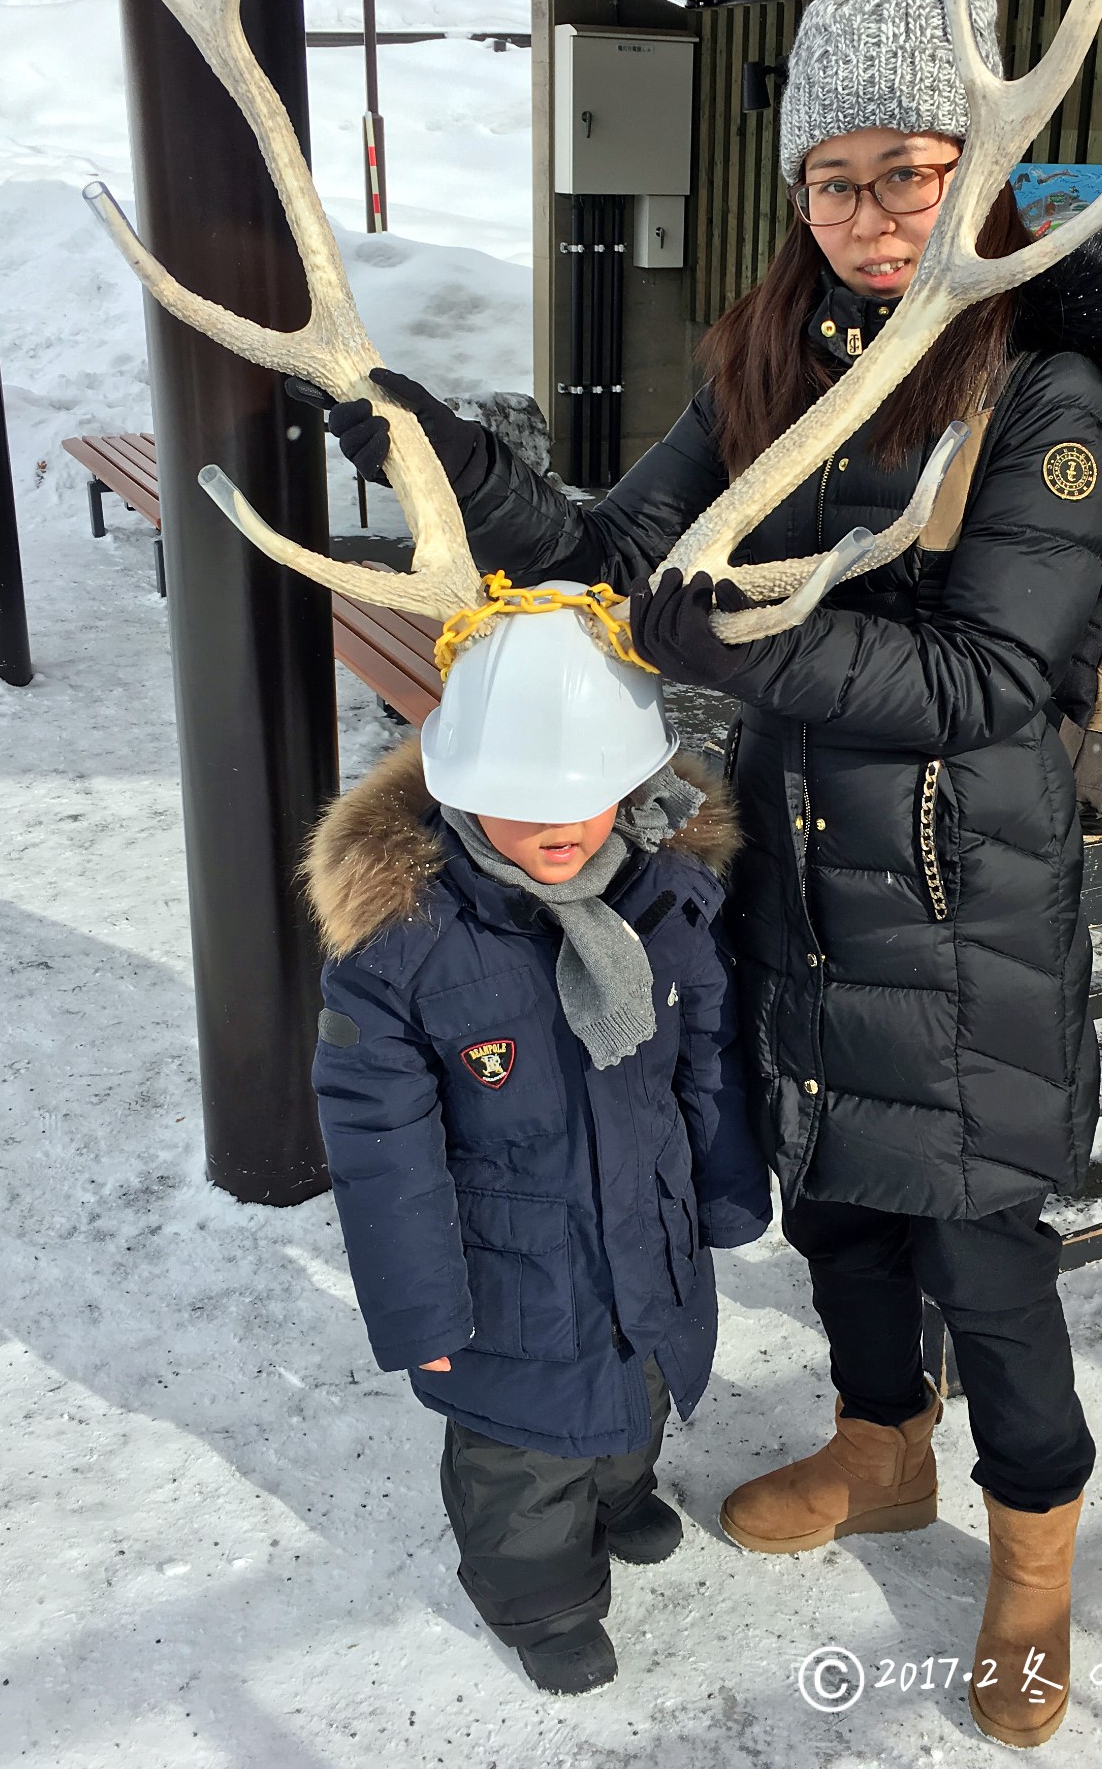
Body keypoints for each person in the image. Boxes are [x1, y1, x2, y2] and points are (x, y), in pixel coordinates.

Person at [317, 0, 1102, 1747]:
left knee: (986, 1264)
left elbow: (989, 681)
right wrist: (456, 451)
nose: (863, 212)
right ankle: (881, 1449)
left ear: (980, 173)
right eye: (831, 180)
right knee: (848, 1213)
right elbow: (624, 554)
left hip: (964, 910)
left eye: (904, 171)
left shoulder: (1044, 390)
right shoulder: (773, 357)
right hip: (804, 891)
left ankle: (1034, 1563)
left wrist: (758, 636)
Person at [303, 583, 771, 1696]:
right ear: (460, 787)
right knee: (522, 1453)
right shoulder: (406, 945)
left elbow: (705, 1049)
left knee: (639, 1386)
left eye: (585, 797)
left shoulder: (666, 894)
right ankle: (537, 1593)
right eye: (521, 802)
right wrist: (422, 1311)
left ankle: (618, 1491)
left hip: (646, 1232)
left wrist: (725, 1186)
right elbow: (384, 1152)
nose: (558, 828)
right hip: (506, 1273)